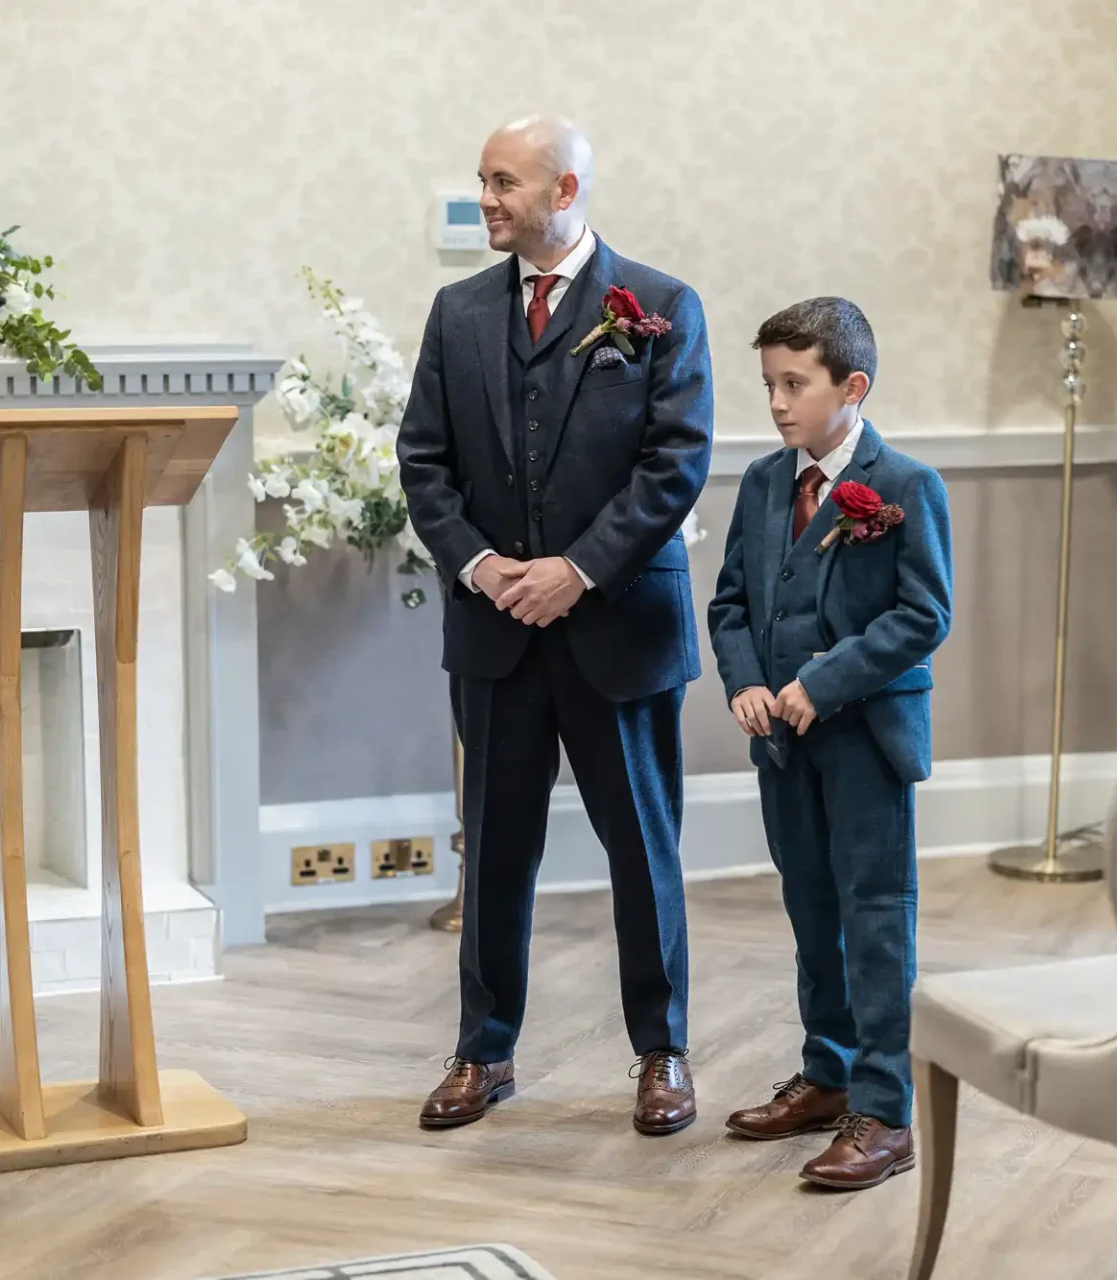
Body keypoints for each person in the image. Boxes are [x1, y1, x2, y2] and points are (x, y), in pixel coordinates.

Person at [396, 115, 714, 1134]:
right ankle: (483, 1051)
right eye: (484, 180)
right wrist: (486, 566)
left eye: (504, 183)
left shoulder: (661, 307)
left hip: (616, 625)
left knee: (642, 847)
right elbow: (424, 462)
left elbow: (676, 461)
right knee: (493, 849)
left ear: (565, 191)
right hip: (495, 632)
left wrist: (576, 570)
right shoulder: (455, 315)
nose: (487, 199)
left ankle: (662, 1052)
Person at [707, 298, 953, 1190]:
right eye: (769, 383)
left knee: (874, 920)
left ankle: (886, 1114)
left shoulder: (905, 486)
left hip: (865, 741)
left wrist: (824, 681)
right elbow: (731, 601)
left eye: (794, 383)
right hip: (782, 743)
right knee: (812, 912)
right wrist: (746, 683)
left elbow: (924, 614)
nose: (776, 402)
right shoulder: (767, 483)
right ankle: (828, 1073)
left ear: (853, 387)